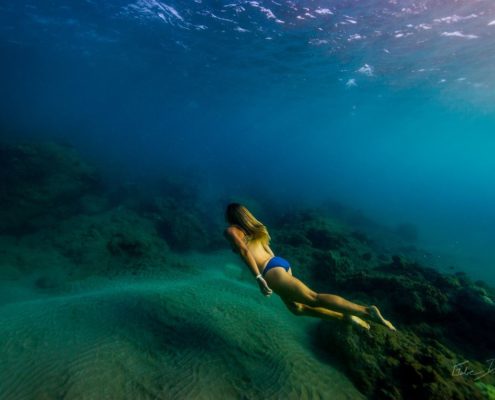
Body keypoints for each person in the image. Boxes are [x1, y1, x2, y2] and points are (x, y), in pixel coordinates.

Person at [224, 202, 396, 331]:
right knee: (297, 308)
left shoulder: (231, 231)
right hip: (278, 264)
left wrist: (259, 278)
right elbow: (267, 249)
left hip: (270, 272)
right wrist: (276, 267)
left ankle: (366, 311)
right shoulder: (253, 228)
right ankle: (346, 318)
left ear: (231, 217)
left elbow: (246, 252)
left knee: (313, 298)